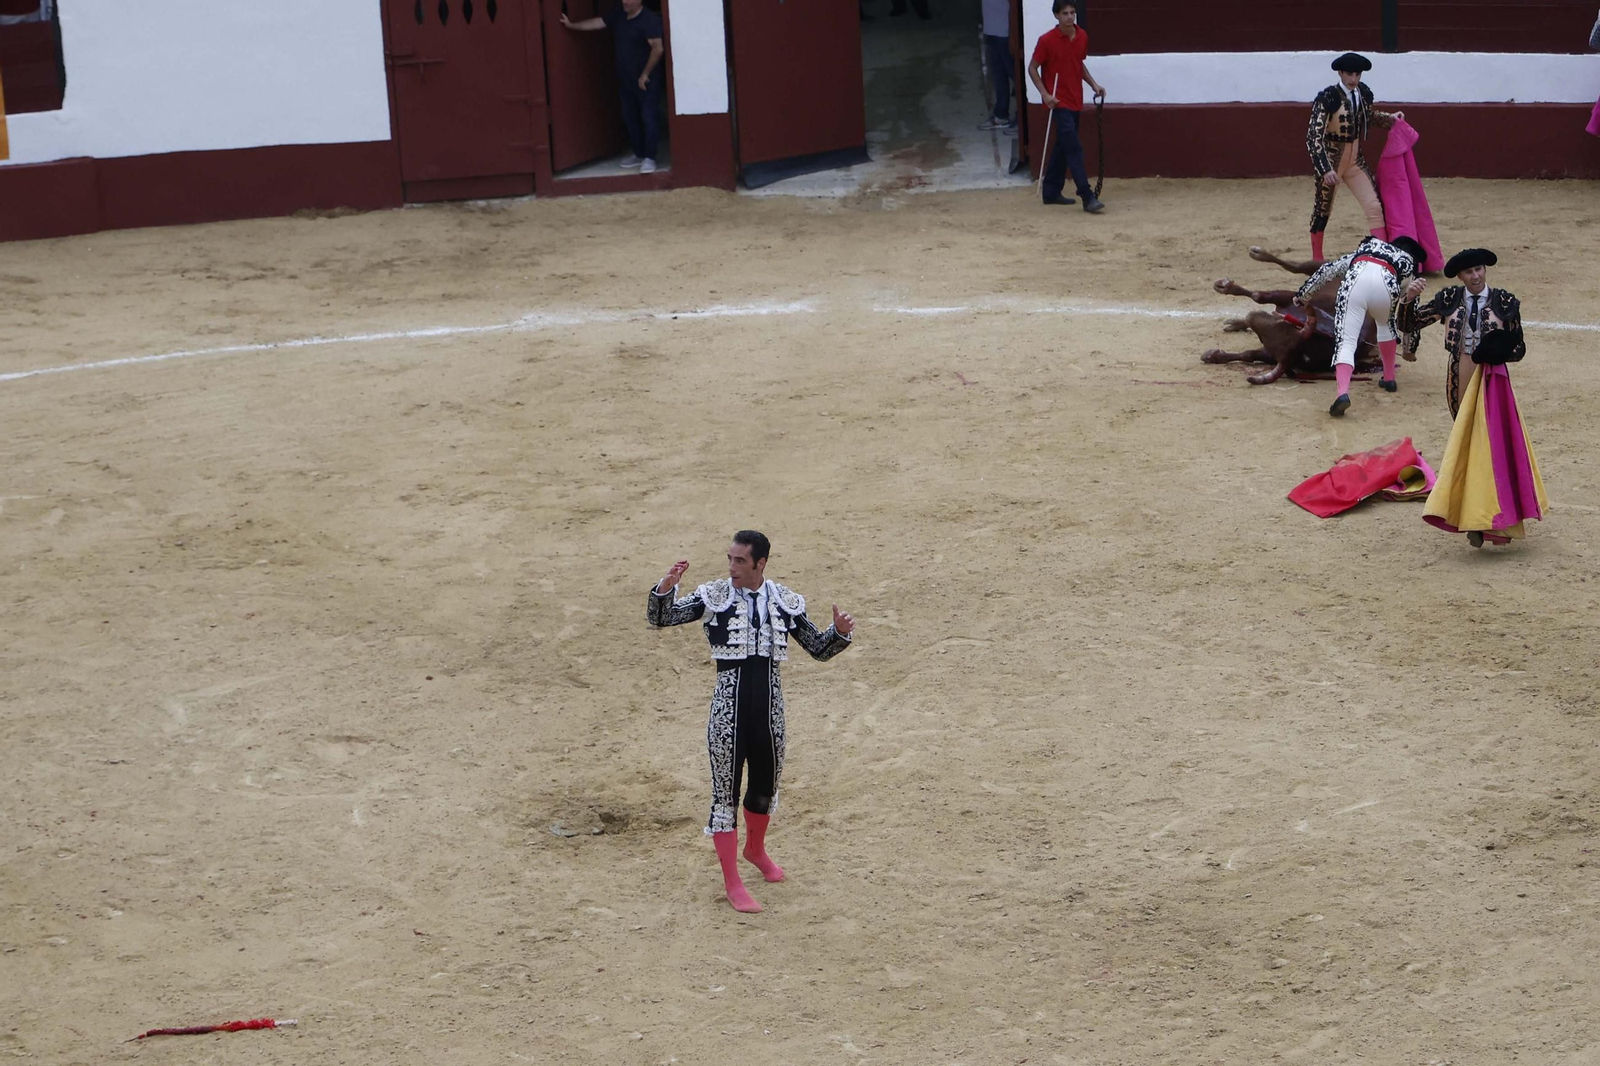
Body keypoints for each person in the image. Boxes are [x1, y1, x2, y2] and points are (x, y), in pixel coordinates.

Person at [647, 531, 855, 913]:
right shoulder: (716, 595)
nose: (731, 568)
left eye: (740, 561)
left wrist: (839, 633)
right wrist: (666, 588)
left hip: (770, 714)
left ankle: (755, 850)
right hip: (728, 714)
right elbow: (662, 618)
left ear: (761, 564)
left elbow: (818, 648)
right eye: (730, 559)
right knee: (724, 798)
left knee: (763, 789)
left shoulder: (784, 600)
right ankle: (732, 883)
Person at [1416, 318, 1546, 548]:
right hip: (1488, 422)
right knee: (1498, 465)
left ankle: (1478, 521)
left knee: (1474, 463)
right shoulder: (1498, 378)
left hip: (1470, 397)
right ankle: (1487, 524)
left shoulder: (1483, 378)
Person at [1292, 233, 1427, 417]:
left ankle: (1343, 393)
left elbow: (1329, 270)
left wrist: (1303, 295)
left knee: (1347, 340)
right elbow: (1410, 314)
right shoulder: (1408, 266)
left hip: (1357, 279)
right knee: (1386, 324)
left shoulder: (1368, 247)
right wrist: (1410, 348)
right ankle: (1389, 378)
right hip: (1387, 284)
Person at [1396, 247, 1523, 418]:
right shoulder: (1450, 298)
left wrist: (1498, 353)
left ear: (1485, 269)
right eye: (1468, 272)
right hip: (1460, 364)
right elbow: (1409, 325)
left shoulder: (1504, 301)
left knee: (1493, 419)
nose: (1475, 276)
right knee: (1462, 418)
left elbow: (1519, 348)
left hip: (1492, 368)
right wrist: (1409, 298)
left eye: (1478, 269)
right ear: (1460, 276)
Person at [1306, 53, 1402, 261]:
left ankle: (1382, 257)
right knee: (1323, 210)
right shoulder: (1328, 98)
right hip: (1332, 161)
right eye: (1349, 74)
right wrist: (1325, 169)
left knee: (1374, 206)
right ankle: (1316, 259)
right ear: (1340, 73)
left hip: (1354, 160)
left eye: (1357, 75)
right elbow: (1314, 136)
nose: (1353, 79)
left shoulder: (1363, 93)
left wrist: (1390, 119)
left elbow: (1367, 116)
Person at [561, 0, 665, 174]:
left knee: (648, 117)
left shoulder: (650, 20)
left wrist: (645, 74)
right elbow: (597, 23)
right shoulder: (619, 14)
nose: (624, 1)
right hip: (626, 80)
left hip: (646, 81)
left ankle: (650, 158)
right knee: (629, 117)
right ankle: (639, 154)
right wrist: (571, 25)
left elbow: (658, 48)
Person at [1028, 0, 1106, 213]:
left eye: (1072, 13)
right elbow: (1032, 68)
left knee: (1063, 146)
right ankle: (1086, 195)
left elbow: (1078, 63)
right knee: (1073, 146)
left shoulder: (1082, 36)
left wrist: (1094, 84)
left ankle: (1051, 191)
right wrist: (1044, 95)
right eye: (1065, 13)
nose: (1070, 17)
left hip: (1075, 100)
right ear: (1056, 16)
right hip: (1058, 101)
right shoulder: (1046, 40)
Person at [978, 0, 1015, 132]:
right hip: (991, 29)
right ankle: (1001, 115)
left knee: (1015, 75)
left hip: (1006, 32)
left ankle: (1021, 119)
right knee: (998, 75)